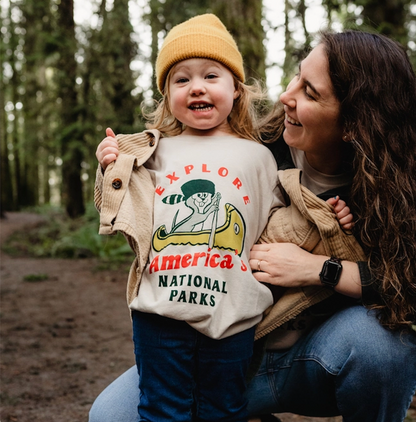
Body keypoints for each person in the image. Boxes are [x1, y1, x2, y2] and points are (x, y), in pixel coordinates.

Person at [91, 28, 416, 422]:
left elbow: (406, 284)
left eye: (309, 92)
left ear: (353, 124)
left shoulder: (390, 189)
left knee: (384, 346)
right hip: (231, 348)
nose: (286, 96)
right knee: (111, 416)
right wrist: (116, 164)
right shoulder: (257, 147)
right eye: (297, 76)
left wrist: (319, 269)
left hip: (318, 354)